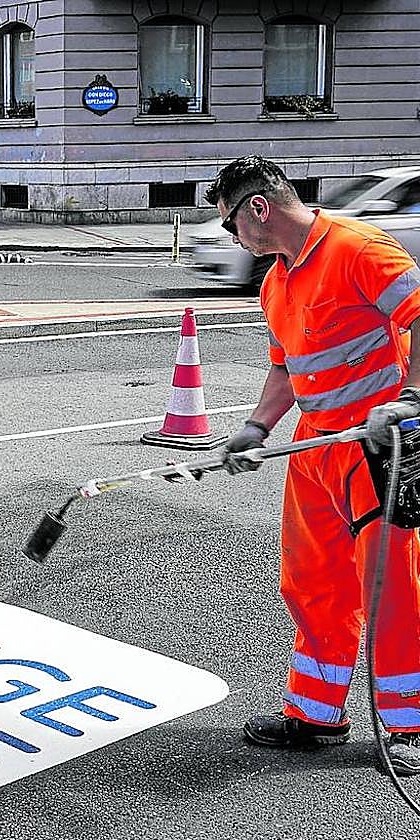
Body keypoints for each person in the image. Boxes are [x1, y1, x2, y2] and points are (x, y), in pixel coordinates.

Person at [209, 155, 420, 775]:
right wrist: (256, 427)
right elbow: (285, 367)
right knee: (313, 583)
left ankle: (410, 722)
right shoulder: (277, 281)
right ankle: (316, 714)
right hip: (315, 448)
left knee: (392, 590)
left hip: (378, 446)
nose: (232, 238)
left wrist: (408, 401)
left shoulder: (357, 248)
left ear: (258, 208)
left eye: (228, 225)